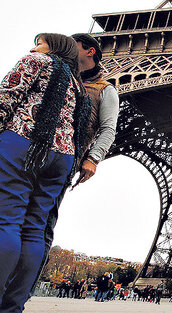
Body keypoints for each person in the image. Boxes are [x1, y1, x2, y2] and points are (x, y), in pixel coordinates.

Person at [0, 33, 90, 312]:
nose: (33, 47)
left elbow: (5, 101)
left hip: (24, 143)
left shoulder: (36, 61)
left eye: (38, 42)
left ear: (54, 46)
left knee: (5, 220)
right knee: (34, 230)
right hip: (61, 157)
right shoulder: (77, 85)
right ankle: (12, 306)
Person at [32, 33, 119, 293]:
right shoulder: (58, 74)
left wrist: (93, 158)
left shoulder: (106, 89)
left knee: (41, 222)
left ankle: (20, 292)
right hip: (30, 152)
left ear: (90, 51)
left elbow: (108, 128)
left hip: (64, 158)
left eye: (75, 46)